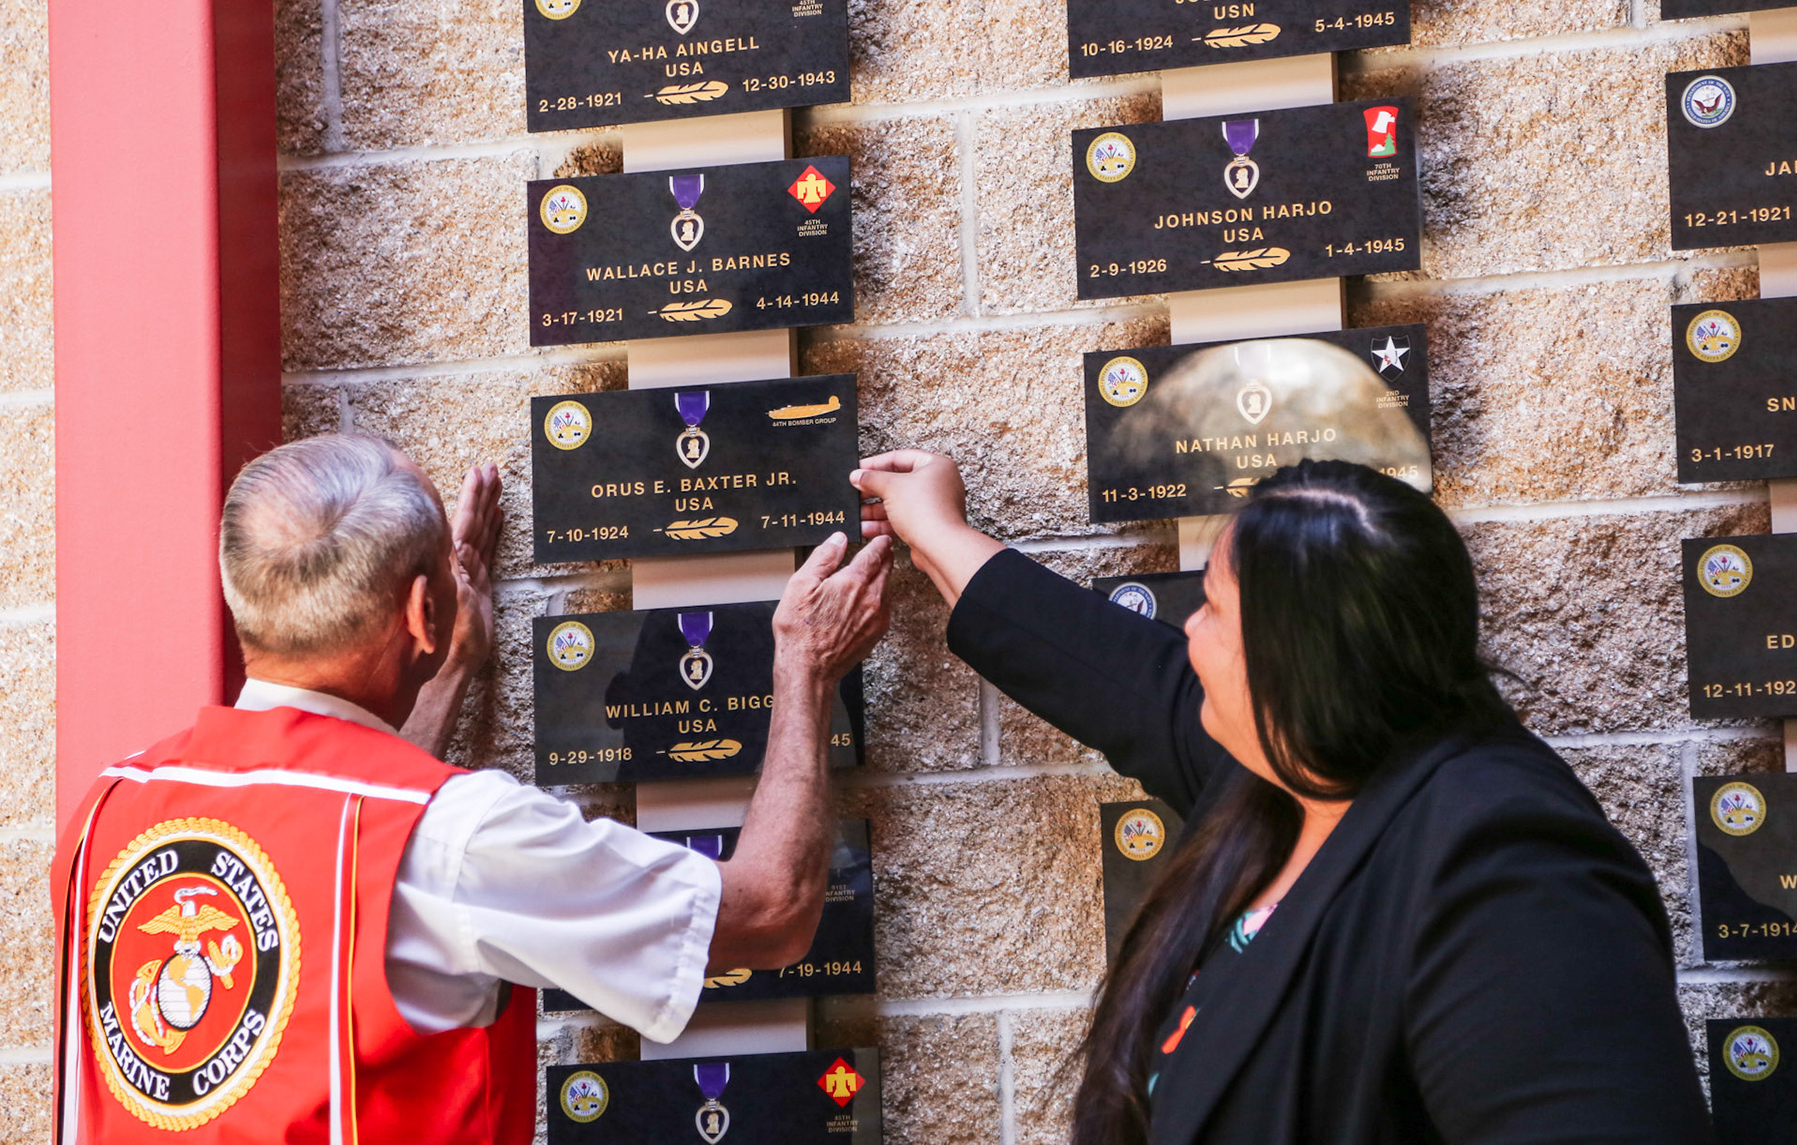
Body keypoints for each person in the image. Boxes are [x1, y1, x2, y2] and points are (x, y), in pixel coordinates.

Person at [852, 450, 1711, 1145]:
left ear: (1297, 661)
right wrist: (936, 531)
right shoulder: (1286, 770)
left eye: (1216, 610)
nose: (1189, 629)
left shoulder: (1508, 872)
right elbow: (1110, 669)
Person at [51, 433, 890, 1142]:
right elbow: (769, 912)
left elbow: (336, 856)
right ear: (421, 611)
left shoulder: (105, 814)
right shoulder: (460, 833)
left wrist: (444, 670)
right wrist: (806, 667)